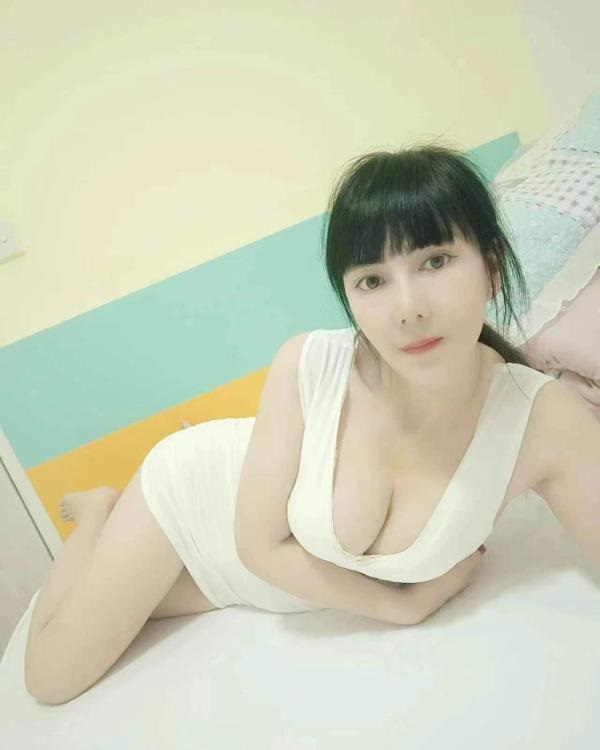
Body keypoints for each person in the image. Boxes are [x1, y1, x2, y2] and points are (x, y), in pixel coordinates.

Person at [23, 142, 548, 705]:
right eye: (373, 280)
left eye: (436, 262)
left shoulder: (524, 407)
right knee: (51, 677)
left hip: (256, 577)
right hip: (201, 500)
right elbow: (267, 545)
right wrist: (403, 607)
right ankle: (97, 514)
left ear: (491, 266)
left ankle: (108, 532)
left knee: (121, 611)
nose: (409, 306)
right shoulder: (325, 364)